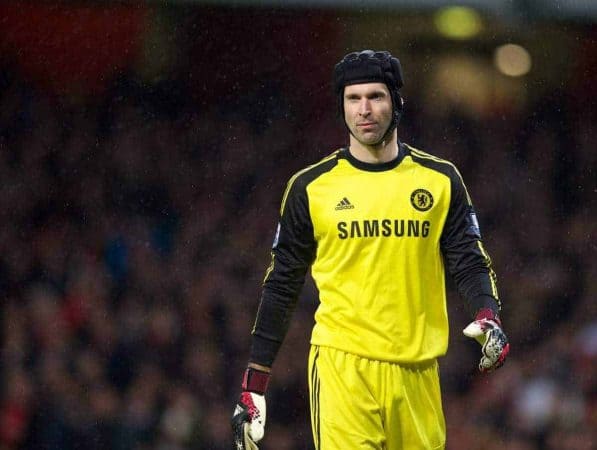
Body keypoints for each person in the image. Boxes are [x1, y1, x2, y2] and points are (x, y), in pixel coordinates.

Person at [231, 50, 510, 450]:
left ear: (397, 102)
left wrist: (488, 313)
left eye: (376, 97)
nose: (364, 109)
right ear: (341, 106)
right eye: (353, 98)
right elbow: (281, 283)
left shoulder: (440, 180)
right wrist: (254, 383)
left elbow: (468, 259)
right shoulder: (311, 187)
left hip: (418, 372)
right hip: (343, 366)